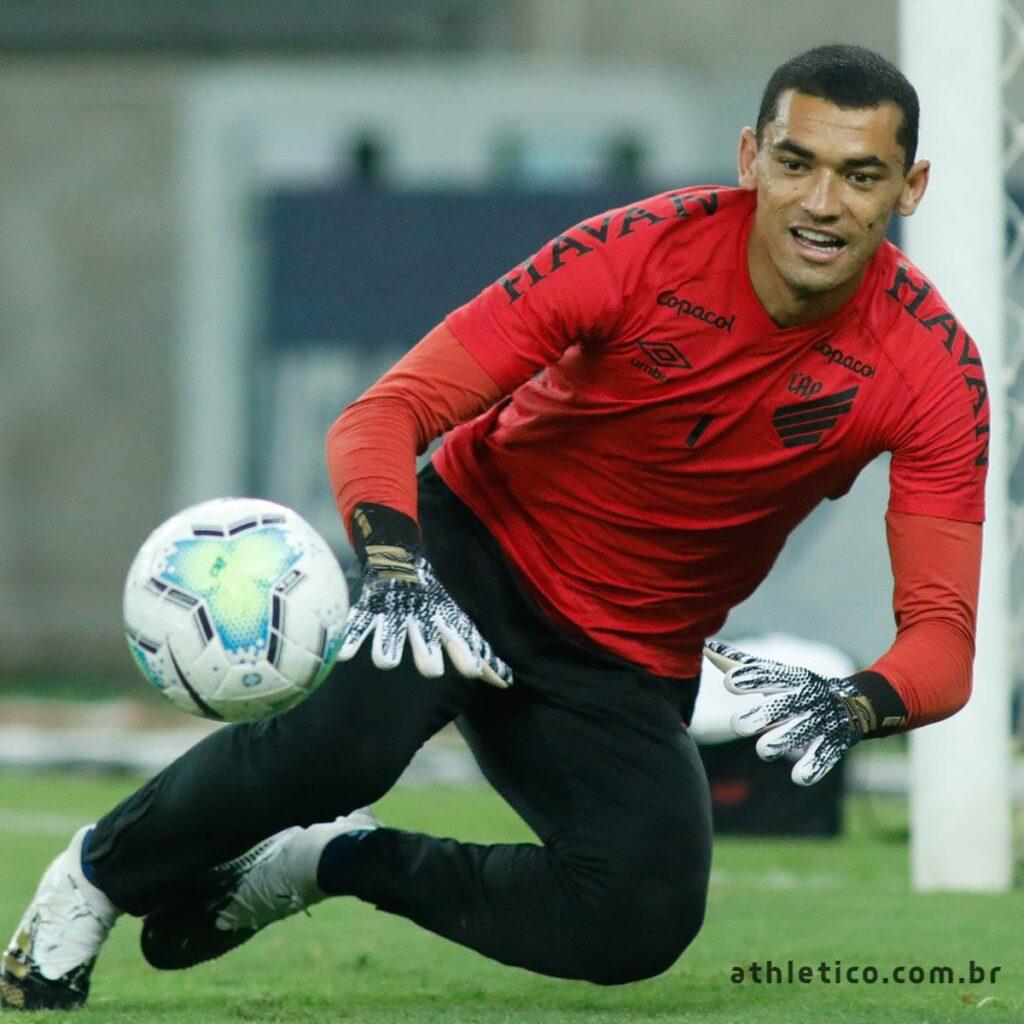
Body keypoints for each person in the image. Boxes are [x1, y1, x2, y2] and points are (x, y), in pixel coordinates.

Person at [1, 43, 986, 1012]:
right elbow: (383, 416)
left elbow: (942, 645)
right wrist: (396, 568)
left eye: (860, 175)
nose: (821, 202)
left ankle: (331, 858)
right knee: (343, 746)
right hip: (470, 556)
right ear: (748, 159)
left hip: (627, 658)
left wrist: (851, 705)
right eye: (795, 162)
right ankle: (88, 881)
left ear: (910, 187)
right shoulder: (636, 251)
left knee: (637, 918)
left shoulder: (934, 370)